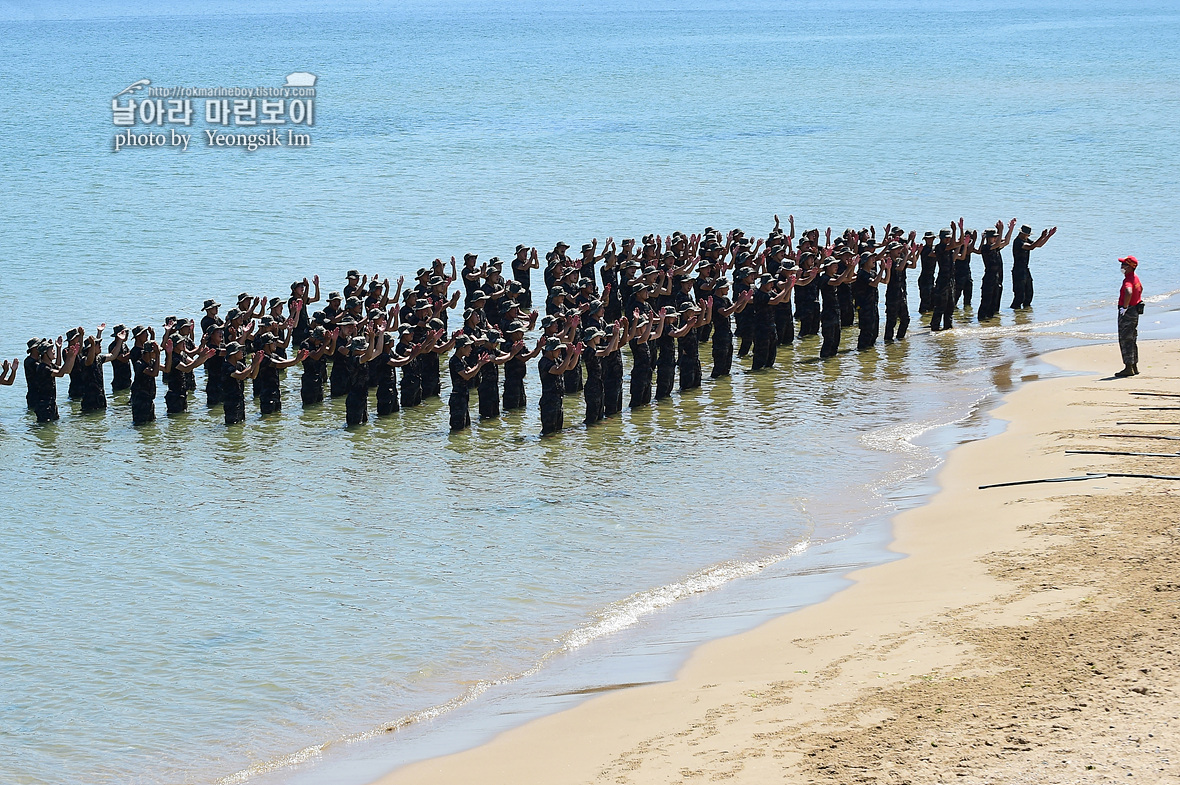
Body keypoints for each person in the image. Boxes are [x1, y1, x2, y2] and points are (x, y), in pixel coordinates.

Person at [976, 219, 1017, 322]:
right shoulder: (985, 248)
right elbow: (998, 243)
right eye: (993, 237)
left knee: (995, 302)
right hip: (989, 278)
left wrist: (1011, 229)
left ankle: (991, 322)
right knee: (986, 301)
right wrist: (1001, 230)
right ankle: (982, 321)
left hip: (997, 278)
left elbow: (1006, 242)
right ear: (988, 238)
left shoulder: (995, 248)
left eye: (995, 237)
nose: (995, 238)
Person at [538, 337, 580, 434]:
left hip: (557, 400)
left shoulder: (556, 360)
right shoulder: (544, 362)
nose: (560, 351)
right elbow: (558, 371)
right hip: (549, 402)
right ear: (551, 350)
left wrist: (576, 355)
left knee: (558, 431)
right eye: (558, 349)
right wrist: (569, 355)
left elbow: (569, 366)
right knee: (549, 433)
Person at [448, 334, 490, 431]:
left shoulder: (462, 361)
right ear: (462, 348)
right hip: (457, 398)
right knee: (458, 429)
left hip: (463, 396)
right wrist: (479, 364)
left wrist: (479, 364)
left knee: (466, 427)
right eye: (469, 346)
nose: (471, 349)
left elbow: (471, 373)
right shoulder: (455, 361)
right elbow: (466, 375)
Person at [1010, 223, 1056, 309]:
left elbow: (1039, 245)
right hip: (1018, 271)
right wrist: (1041, 236)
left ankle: (1025, 316)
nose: (1028, 236)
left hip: (1025, 270)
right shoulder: (1018, 242)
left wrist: (1048, 236)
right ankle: (1015, 315)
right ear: (1022, 233)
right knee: (1019, 296)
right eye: (1027, 234)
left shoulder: (1026, 240)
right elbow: (1031, 247)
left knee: (1029, 294)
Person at [1115, 256, 1144, 378]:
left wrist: (1125, 307)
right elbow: (1141, 288)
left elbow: (1128, 291)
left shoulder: (1128, 280)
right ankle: (1134, 365)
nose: (1121, 267)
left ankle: (1128, 367)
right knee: (1132, 338)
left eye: (1123, 265)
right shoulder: (1135, 278)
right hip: (1135, 310)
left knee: (1125, 339)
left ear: (1129, 267)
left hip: (1128, 311)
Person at [222, 342, 262, 426]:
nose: (242, 352)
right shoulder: (226, 366)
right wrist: (253, 364)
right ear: (233, 353)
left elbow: (253, 376)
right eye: (239, 350)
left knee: (240, 425)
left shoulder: (239, 365)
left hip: (240, 401)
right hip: (231, 403)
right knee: (232, 426)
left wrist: (257, 364)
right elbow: (241, 376)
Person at [129, 340, 160, 425]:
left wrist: (169, 353)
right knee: (140, 425)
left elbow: (167, 369)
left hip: (149, 400)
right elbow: (155, 373)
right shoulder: (139, 364)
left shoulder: (151, 363)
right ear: (149, 353)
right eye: (154, 353)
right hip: (140, 401)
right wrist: (158, 355)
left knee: (150, 425)